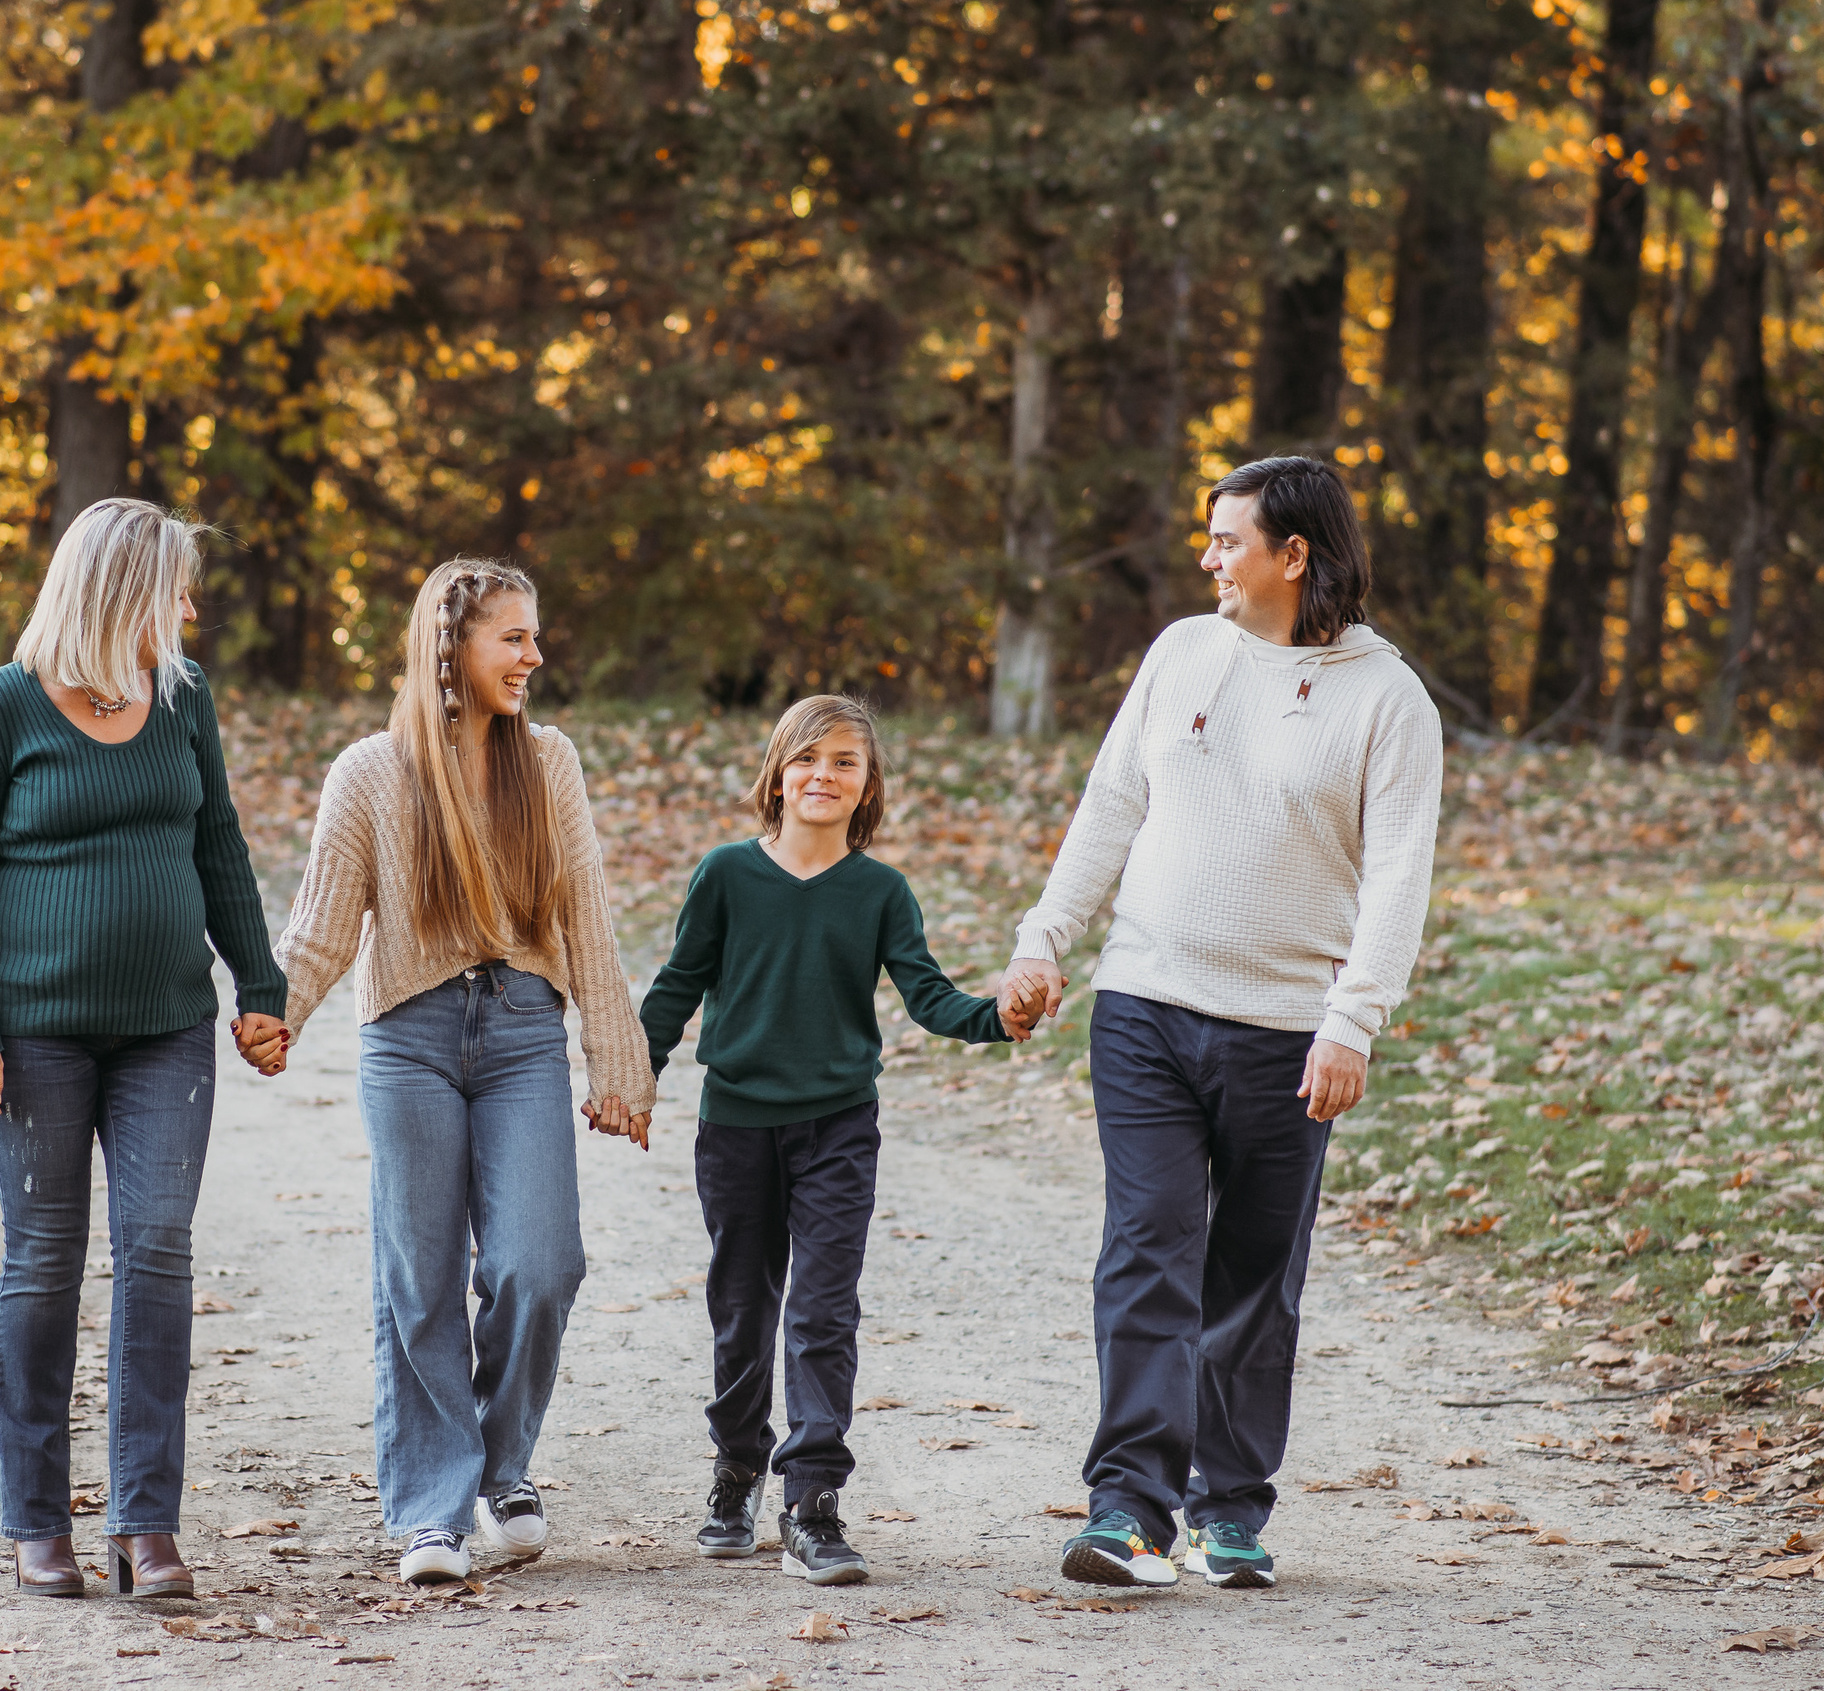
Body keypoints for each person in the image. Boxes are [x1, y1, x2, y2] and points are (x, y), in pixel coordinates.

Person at [1001, 454, 1441, 1592]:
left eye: (1227, 541)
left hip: (1288, 1033)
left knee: (1252, 1274)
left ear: (1294, 556)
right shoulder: (1182, 652)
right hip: (1144, 1008)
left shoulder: (1386, 700)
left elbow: (1397, 879)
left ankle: (1229, 1508)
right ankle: (1129, 1511)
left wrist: (1353, 1022)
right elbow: (1111, 802)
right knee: (1149, 1251)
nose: (1207, 559)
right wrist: (1043, 939)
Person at [0, 498, 291, 1600]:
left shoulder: (182, 699)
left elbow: (216, 840)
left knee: (159, 1256)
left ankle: (147, 1524)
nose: (188, 610)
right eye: (173, 590)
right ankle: (38, 1523)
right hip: (32, 1037)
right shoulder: (1, 707)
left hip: (168, 1030)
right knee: (41, 1266)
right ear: (119, 593)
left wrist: (258, 985)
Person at [273, 558, 654, 1586]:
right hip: (408, 1038)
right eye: (513, 638)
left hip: (525, 1028)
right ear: (452, 647)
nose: (535, 656)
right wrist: (276, 1014)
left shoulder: (550, 763)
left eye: (535, 637)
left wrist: (617, 1058)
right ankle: (429, 1513)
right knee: (421, 1278)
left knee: (540, 1262)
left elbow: (587, 917)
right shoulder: (369, 772)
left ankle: (500, 1462)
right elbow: (320, 926)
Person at [640, 695, 1038, 1587]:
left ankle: (811, 1498)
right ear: (776, 775)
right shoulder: (726, 875)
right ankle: (737, 1469)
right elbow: (676, 985)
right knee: (742, 1307)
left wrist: (997, 1019)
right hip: (736, 1126)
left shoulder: (880, 891)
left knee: (823, 1312)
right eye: (807, 758)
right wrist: (635, 1072)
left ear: (868, 788)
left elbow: (928, 996)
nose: (823, 774)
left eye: (845, 762)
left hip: (837, 1131)